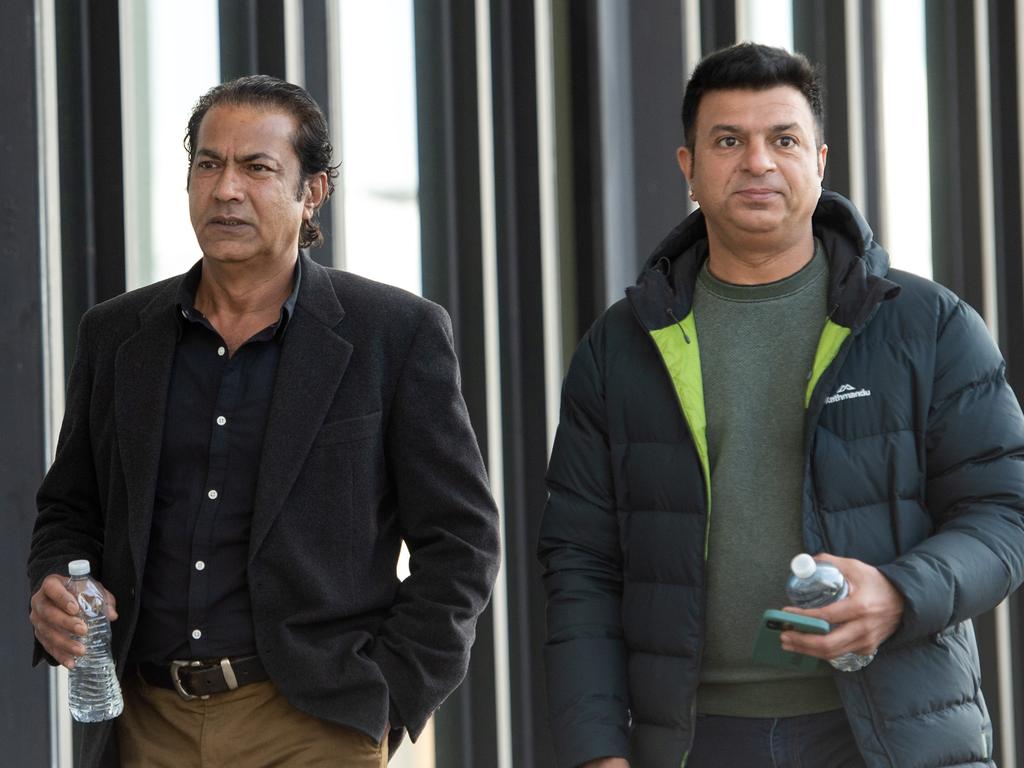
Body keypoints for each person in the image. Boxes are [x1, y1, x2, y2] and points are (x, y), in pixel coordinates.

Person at [538, 42, 1024, 768]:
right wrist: (596, 751)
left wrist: (898, 592)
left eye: (783, 139)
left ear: (820, 161)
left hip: (892, 731)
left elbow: (1005, 511)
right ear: (689, 168)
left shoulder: (927, 324)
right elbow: (579, 561)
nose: (757, 162)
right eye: (728, 141)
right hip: (697, 740)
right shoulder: (621, 345)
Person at [28, 75, 500, 768]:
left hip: (313, 724)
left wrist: (389, 700)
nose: (225, 189)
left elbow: (460, 543)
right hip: (144, 724)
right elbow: (70, 508)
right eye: (208, 164)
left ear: (313, 192)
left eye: (258, 167)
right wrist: (55, 588)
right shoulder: (118, 334)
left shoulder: (394, 335)